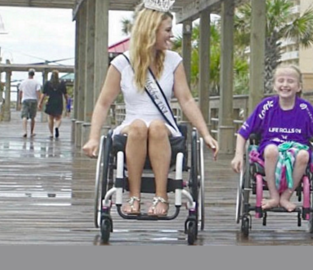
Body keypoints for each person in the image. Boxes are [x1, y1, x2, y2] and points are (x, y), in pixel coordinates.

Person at [82, 2, 219, 217]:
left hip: (163, 127)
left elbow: (186, 100)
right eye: (167, 30)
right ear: (150, 30)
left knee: (155, 126)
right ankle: (134, 197)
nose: (171, 35)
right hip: (131, 126)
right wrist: (92, 138)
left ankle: (161, 197)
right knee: (138, 127)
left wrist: (206, 134)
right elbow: (102, 103)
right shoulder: (122, 63)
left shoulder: (174, 61)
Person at [231, 64, 313, 212]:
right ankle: (274, 196)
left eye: (290, 81)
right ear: (274, 85)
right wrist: (238, 155)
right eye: (281, 80)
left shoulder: (306, 110)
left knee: (304, 154)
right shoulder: (266, 107)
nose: (285, 85)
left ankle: (286, 196)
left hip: (297, 151)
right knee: (271, 150)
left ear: (299, 87)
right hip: (270, 151)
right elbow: (243, 132)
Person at [38, 70, 68, 139]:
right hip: (59, 101)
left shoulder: (47, 83)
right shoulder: (62, 83)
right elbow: (65, 94)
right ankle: (56, 126)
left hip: (50, 101)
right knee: (59, 117)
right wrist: (67, 102)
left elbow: (43, 94)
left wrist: (40, 102)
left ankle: (51, 133)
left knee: (50, 117)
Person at [18, 68, 41, 138]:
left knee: (24, 116)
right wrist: (39, 101)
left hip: (25, 99)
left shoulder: (23, 82)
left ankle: (25, 131)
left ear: (28, 74)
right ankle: (32, 132)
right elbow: (38, 92)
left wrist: (20, 100)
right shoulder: (37, 82)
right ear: (34, 74)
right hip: (34, 100)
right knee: (33, 117)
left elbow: (20, 92)